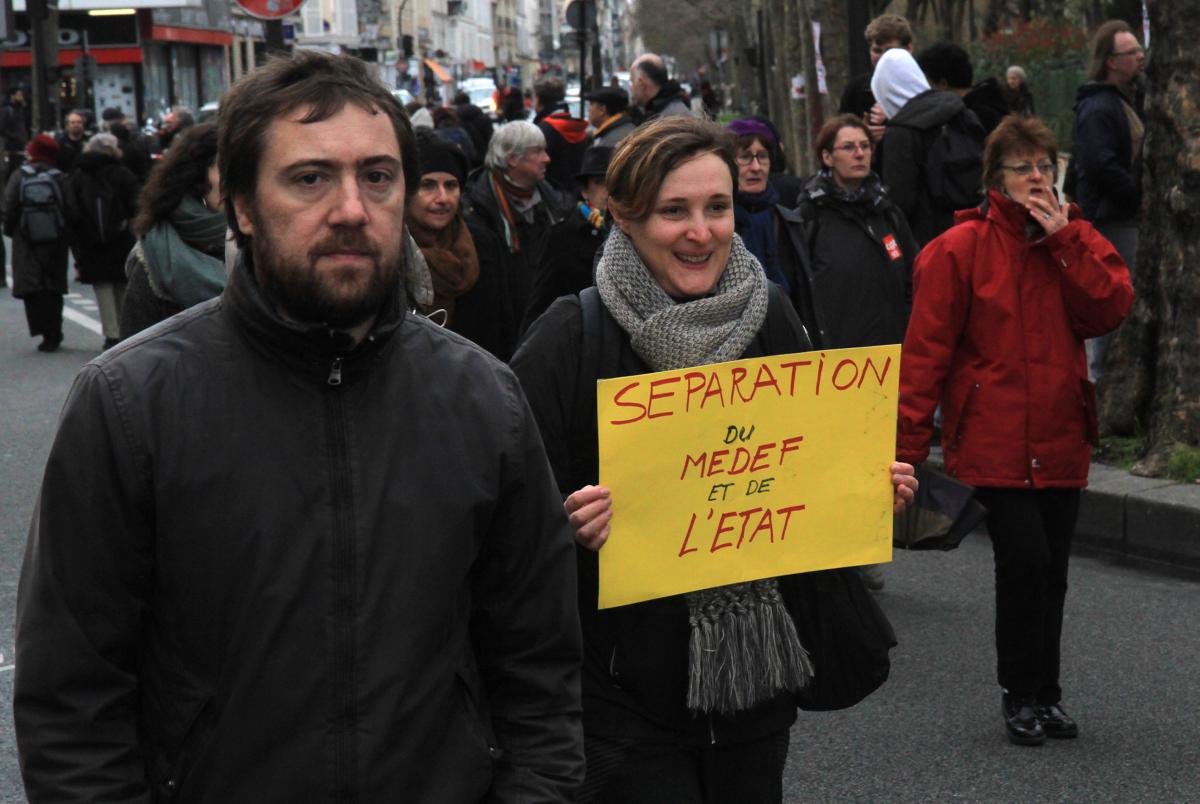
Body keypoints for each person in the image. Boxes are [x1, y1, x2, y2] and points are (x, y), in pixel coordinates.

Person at [14, 50, 583, 800]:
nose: (351, 209)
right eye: (310, 178)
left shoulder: (484, 401)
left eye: (377, 177)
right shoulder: (129, 405)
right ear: (243, 206)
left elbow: (538, 678)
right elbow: (72, 704)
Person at [511, 116, 916, 802]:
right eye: (674, 211)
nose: (701, 232)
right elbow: (505, 510)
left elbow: (804, 470)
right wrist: (565, 522)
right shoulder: (570, 337)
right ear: (626, 216)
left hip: (755, 693)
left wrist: (865, 487)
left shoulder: (773, 317)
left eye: (717, 208)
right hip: (621, 696)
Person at [896, 115, 1133, 746]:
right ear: (994, 179)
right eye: (1022, 167)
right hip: (993, 437)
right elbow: (924, 356)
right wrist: (907, 453)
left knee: (1052, 570)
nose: (1036, 178)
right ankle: (1018, 692)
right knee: (1023, 562)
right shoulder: (957, 251)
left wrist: (1067, 241)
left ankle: (1046, 695)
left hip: (1060, 433)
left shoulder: (1073, 236)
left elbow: (1110, 305)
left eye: (1044, 166)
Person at [1071, 20, 1145, 378]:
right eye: (1131, 52)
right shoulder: (1100, 108)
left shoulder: (1118, 102)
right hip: (1112, 219)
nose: (1139, 57)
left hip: (1118, 215)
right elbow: (1101, 165)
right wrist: (1136, 196)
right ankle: (1105, 381)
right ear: (1111, 61)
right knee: (1115, 299)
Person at [408, 129, 515, 359]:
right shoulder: (389, 252)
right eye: (428, 185)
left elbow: (505, 325)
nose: (442, 198)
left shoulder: (483, 244)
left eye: (451, 185)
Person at [118, 122, 227, 339]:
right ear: (198, 175)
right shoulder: (157, 250)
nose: (238, 180)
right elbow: (134, 353)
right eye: (226, 168)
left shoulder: (266, 236)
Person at [873, 47, 985, 247]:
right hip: (972, 229)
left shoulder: (901, 130)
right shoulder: (960, 111)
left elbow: (900, 202)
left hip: (928, 240)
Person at [465, 120, 569, 328]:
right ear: (512, 159)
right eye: (538, 152)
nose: (547, 159)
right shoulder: (477, 210)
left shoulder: (556, 201)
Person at [522, 145, 612, 330]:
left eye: (613, 182)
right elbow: (541, 303)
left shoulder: (635, 233)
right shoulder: (562, 237)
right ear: (585, 190)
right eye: (599, 182)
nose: (608, 190)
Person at [65, 132, 139, 349]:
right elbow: (136, 203)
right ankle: (126, 329)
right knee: (122, 284)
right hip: (121, 236)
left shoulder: (79, 175)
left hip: (90, 239)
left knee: (103, 286)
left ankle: (111, 332)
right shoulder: (122, 173)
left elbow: (72, 208)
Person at [4, 134, 70, 352]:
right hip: (55, 237)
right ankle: (55, 329)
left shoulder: (20, 175)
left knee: (33, 284)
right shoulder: (59, 176)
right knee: (54, 283)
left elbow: (10, 204)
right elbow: (70, 207)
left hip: (27, 236)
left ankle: (43, 331)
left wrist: (12, 230)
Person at [727, 118, 792, 292]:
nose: (756, 167)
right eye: (745, 157)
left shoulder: (787, 221)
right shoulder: (721, 224)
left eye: (762, 156)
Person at [838, 14, 914, 145]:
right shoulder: (856, 90)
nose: (883, 58)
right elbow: (838, 135)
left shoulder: (922, 88)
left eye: (890, 51)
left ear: (908, 49)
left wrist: (893, 116)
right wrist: (861, 134)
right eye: (877, 51)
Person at [916, 41, 1009, 136]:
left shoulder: (969, 123)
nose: (926, 89)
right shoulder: (991, 108)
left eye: (928, 82)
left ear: (943, 84)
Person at [534, 77, 591, 193]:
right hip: (579, 196)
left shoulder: (542, 131)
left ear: (539, 100)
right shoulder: (576, 126)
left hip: (552, 198)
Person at [629, 53, 693, 122]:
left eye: (632, 81)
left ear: (641, 83)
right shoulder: (663, 111)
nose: (631, 88)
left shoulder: (672, 120)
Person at [54, 109, 91, 174]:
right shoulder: (59, 143)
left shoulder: (90, 142)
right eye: (73, 122)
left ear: (83, 124)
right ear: (67, 125)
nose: (76, 125)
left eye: (79, 122)